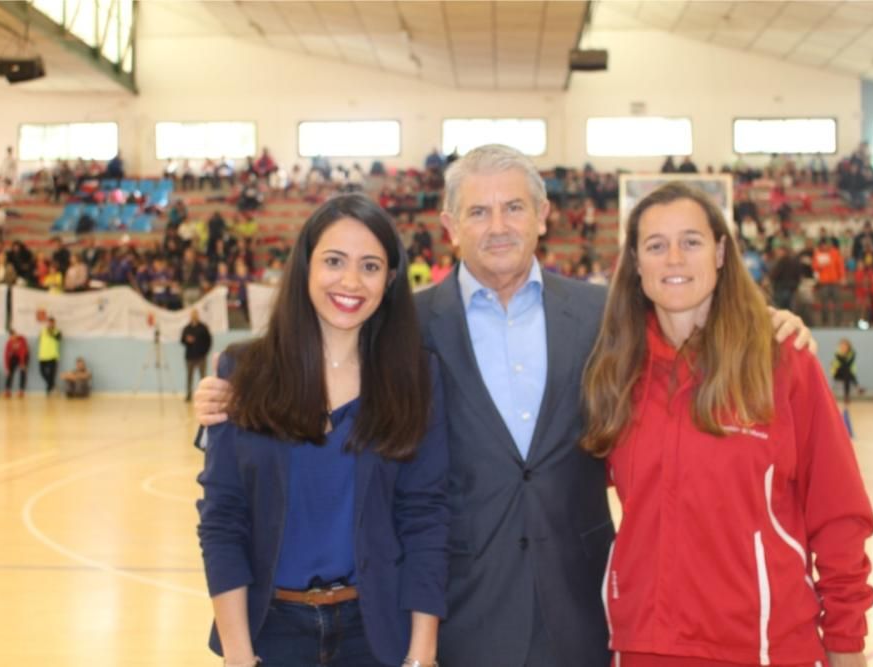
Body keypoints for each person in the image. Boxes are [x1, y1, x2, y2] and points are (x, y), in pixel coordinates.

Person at [193, 147, 813, 667]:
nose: (498, 225)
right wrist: (224, 392)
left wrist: (769, 320)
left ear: (543, 215)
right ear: (449, 226)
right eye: (479, 211)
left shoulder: (605, 315)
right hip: (463, 606)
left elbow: (690, 315)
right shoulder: (410, 326)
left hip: (582, 599)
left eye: (514, 207)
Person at [581, 182, 873, 667]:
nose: (674, 258)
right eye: (656, 245)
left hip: (765, 645)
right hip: (644, 646)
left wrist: (846, 639)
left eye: (691, 241)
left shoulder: (781, 360)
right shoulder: (614, 370)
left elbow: (839, 512)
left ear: (719, 252)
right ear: (635, 262)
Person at [196, 194, 448, 667]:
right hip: (270, 633)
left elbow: (426, 518)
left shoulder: (416, 376)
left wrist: (421, 652)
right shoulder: (243, 372)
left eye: (370, 266)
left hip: (375, 633)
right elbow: (223, 520)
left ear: (390, 280)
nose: (351, 281)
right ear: (305, 266)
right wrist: (237, 655)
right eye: (334, 261)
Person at [181, 309, 213, 402]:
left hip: (201, 356)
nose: (194, 316)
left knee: (203, 377)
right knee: (189, 376)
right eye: (192, 314)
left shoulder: (203, 328)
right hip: (190, 356)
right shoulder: (187, 328)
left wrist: (205, 352)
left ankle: (204, 395)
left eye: (195, 314)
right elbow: (182, 340)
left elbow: (208, 341)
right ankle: (189, 394)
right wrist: (187, 340)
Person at [831, 338, 863, 403]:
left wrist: (844, 357)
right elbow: (844, 363)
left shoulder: (852, 353)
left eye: (845, 346)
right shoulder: (837, 353)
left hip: (847, 374)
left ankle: (846, 397)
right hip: (837, 373)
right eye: (842, 345)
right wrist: (843, 355)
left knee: (846, 375)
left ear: (848, 346)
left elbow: (849, 363)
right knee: (845, 369)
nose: (843, 347)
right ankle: (857, 387)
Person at [38, 317, 62, 395]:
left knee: (52, 375)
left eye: (52, 323)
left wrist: (50, 333)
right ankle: (53, 386)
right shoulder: (42, 331)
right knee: (42, 373)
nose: (50, 324)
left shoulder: (57, 331)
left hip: (53, 356)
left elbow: (58, 339)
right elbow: (40, 340)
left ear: (54, 323)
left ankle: (48, 392)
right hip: (43, 355)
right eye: (49, 322)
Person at [4, 329, 29, 398]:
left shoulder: (22, 339)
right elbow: (6, 355)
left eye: (14, 335)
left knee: (22, 372)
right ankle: (7, 390)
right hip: (14, 357)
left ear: (16, 334)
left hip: (24, 356)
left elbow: (22, 352)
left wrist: (22, 363)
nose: (13, 337)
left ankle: (21, 390)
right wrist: (7, 368)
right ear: (10, 337)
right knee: (9, 372)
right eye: (11, 336)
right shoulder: (9, 343)